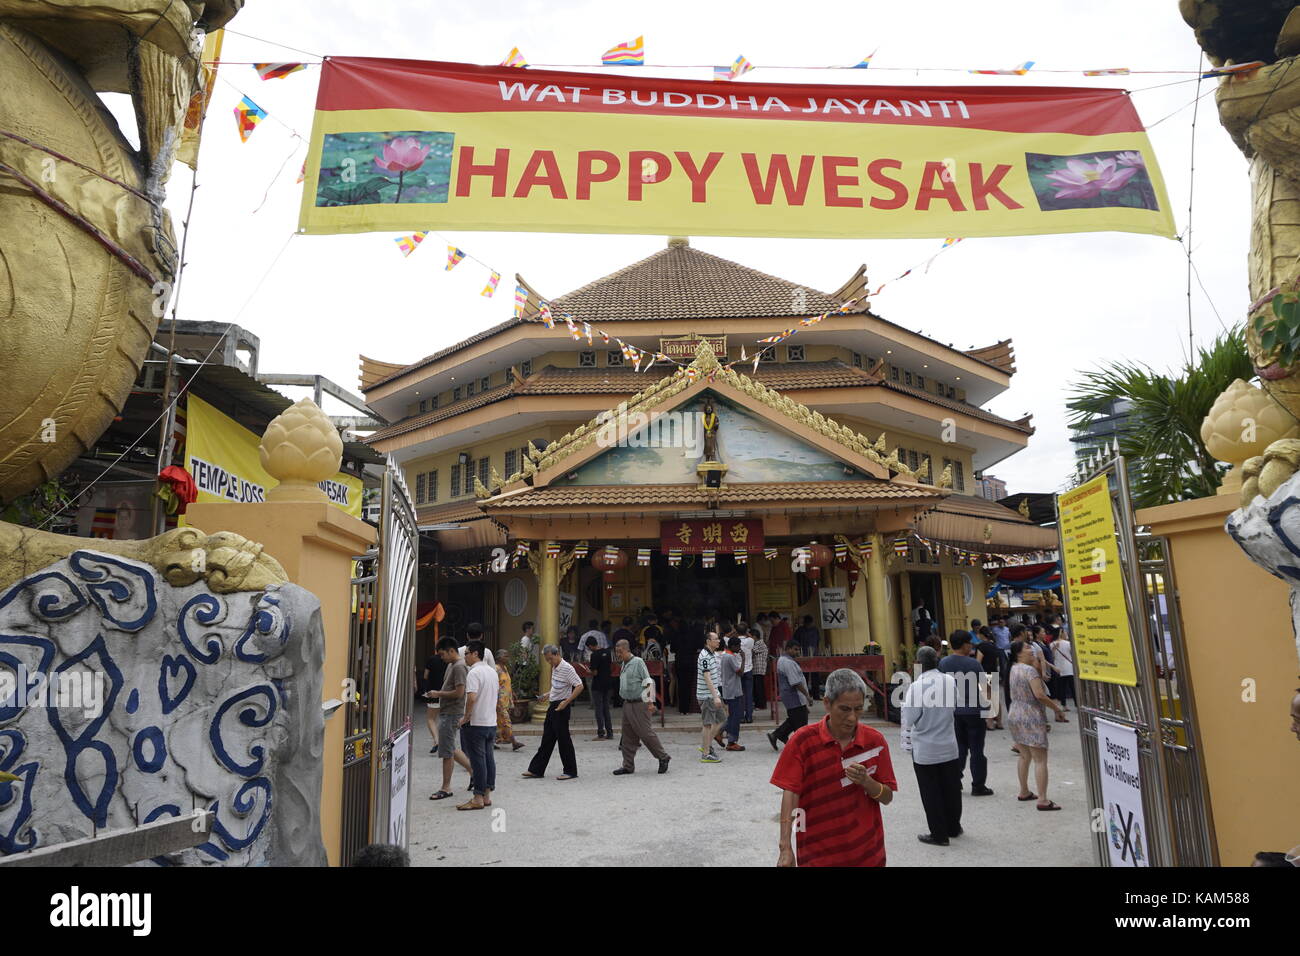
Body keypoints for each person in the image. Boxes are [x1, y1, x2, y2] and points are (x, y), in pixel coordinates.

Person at [771, 669, 897, 867]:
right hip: (817, 854)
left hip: (867, 854)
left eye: (858, 709)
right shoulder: (802, 741)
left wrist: (867, 782)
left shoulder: (875, 742)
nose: (852, 718)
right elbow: (791, 793)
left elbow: (887, 797)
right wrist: (785, 847)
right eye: (845, 709)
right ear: (827, 703)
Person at [901, 646, 962, 846]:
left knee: (931, 792)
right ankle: (953, 827)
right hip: (949, 744)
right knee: (951, 788)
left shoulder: (917, 687)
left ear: (918, 664)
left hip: (926, 749)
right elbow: (954, 706)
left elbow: (910, 718)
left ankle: (939, 834)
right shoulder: (950, 681)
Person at [1007, 639, 1065, 811]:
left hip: (1015, 713)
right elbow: (1039, 694)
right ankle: (1043, 799)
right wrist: (1056, 708)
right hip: (1031, 715)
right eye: (1027, 648)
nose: (1031, 650)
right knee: (1040, 759)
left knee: (1024, 755)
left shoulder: (1013, 668)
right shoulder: (1029, 671)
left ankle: (1024, 791)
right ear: (1018, 653)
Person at [939, 632, 993, 796]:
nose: (971, 646)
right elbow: (985, 686)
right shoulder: (973, 664)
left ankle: (955, 780)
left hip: (954, 711)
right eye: (969, 643)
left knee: (958, 748)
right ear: (963, 644)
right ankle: (978, 785)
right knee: (977, 749)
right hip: (974, 711)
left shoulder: (943, 662)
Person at [521, 644, 582, 780]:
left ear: (556, 654)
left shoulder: (567, 668)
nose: (549, 662)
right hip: (553, 706)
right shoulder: (555, 667)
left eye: (550, 659)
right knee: (547, 739)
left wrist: (566, 701)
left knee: (563, 739)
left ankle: (570, 770)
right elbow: (557, 687)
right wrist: (547, 695)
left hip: (562, 707)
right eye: (547, 660)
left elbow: (579, 686)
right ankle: (536, 769)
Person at [612, 639, 671, 775]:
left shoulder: (638, 662)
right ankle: (628, 766)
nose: (618, 654)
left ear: (627, 650)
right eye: (617, 652)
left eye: (620, 652)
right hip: (627, 703)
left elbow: (648, 681)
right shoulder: (623, 664)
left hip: (640, 703)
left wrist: (650, 702)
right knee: (627, 736)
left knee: (645, 733)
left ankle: (663, 757)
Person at [425, 637, 472, 801]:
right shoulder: (452, 665)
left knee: (446, 752)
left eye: (442, 654)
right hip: (448, 710)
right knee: (449, 747)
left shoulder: (459, 667)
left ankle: (446, 787)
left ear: (452, 650)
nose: (441, 657)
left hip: (452, 712)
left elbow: (460, 693)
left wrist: (438, 694)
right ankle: (474, 772)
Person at [458, 641, 499, 811]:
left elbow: (472, 698)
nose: (465, 656)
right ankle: (486, 795)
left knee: (477, 761)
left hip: (477, 723)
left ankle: (478, 797)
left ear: (475, 654)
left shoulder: (473, 673)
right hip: (490, 721)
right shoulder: (492, 671)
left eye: (466, 653)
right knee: (489, 759)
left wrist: (466, 718)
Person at [767, 642, 810, 750]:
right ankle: (801, 746)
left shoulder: (783, 660)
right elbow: (795, 682)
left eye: (798, 650)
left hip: (790, 696)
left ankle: (778, 734)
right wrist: (807, 696)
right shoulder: (788, 663)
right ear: (788, 649)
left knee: (794, 718)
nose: (797, 652)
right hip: (794, 696)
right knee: (800, 722)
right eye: (795, 650)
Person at [696, 631, 726, 763]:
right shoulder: (704, 656)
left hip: (712, 694)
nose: (718, 641)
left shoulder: (711, 653)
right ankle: (706, 753)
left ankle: (706, 746)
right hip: (707, 695)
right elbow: (706, 676)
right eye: (715, 639)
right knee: (708, 724)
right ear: (708, 641)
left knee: (721, 719)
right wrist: (715, 696)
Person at [494, 648, 525, 752]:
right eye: (505, 656)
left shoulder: (505, 668)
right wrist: (497, 701)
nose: (507, 657)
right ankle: (514, 742)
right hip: (500, 700)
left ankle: (496, 739)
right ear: (499, 657)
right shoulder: (496, 669)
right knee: (506, 721)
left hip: (507, 699)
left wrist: (513, 693)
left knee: (500, 721)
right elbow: (495, 685)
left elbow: (507, 683)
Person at [720, 635, 745, 751]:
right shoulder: (731, 657)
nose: (739, 648)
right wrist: (743, 659)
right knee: (735, 716)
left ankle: (719, 732)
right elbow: (740, 672)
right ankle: (731, 741)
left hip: (728, 689)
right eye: (738, 646)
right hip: (733, 690)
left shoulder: (725, 655)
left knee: (733, 715)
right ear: (733, 646)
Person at [976, 628, 1004, 730]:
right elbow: (996, 662)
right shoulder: (994, 646)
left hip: (984, 674)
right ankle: (1000, 722)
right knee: (995, 698)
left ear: (981, 635)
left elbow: (978, 662)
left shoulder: (981, 646)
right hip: (994, 673)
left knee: (986, 698)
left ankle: (990, 722)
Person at [586, 636, 614, 740]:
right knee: (606, 708)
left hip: (597, 685)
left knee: (598, 709)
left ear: (589, 646)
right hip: (607, 683)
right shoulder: (607, 652)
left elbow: (595, 672)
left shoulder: (594, 655)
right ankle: (610, 733)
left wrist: (589, 671)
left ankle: (601, 733)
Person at [422, 647, 447, 754]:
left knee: (431, 718)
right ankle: (445, 742)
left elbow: (425, 675)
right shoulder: (449, 661)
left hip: (433, 693)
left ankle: (436, 740)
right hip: (447, 693)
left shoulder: (431, 659)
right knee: (445, 718)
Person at [794, 615, 821, 696]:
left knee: (814, 675)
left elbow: (817, 642)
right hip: (805, 656)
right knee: (804, 675)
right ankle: (807, 694)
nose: (809, 625)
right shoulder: (801, 630)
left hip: (810, 656)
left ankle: (814, 694)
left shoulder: (813, 630)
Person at [1052, 628, 1075, 713]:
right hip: (1069, 668)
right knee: (1073, 688)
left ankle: (1064, 705)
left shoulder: (1052, 644)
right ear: (1061, 633)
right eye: (1064, 632)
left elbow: (1052, 657)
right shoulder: (1068, 643)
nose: (1066, 633)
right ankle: (1077, 704)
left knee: (1061, 688)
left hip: (1059, 669)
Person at [751, 624, 770, 712]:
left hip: (759, 670)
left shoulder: (759, 643)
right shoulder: (759, 643)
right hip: (757, 670)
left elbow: (752, 652)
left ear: (754, 637)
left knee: (759, 688)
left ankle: (761, 705)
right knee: (758, 687)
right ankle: (759, 704)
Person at [739, 625, 756, 722]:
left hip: (739, 670)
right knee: (749, 694)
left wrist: (735, 631)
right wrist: (746, 632)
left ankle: (741, 717)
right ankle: (749, 716)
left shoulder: (733, 641)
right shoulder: (750, 641)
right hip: (748, 669)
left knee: (740, 694)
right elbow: (752, 638)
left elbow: (726, 638)